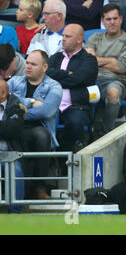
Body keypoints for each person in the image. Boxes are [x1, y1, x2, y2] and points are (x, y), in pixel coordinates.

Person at [7, 50, 62, 199]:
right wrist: (30, 102)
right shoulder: (13, 82)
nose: (28, 66)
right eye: (27, 63)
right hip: (14, 128)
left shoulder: (54, 87)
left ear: (44, 67)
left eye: (33, 64)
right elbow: (5, 104)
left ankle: (40, 188)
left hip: (39, 129)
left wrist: (17, 109)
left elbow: (46, 111)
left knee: (41, 136)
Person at [85, 4, 126, 135]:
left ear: (121, 19)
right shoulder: (95, 38)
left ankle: (105, 133)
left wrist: (97, 60)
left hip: (117, 81)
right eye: (108, 19)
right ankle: (85, 133)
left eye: (115, 18)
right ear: (103, 21)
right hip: (93, 80)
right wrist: (113, 60)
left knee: (113, 93)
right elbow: (87, 62)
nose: (112, 22)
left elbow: (121, 67)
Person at [47, 24, 98, 152]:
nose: (63, 39)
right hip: (51, 104)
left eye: (68, 36)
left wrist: (57, 79)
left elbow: (78, 79)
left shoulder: (89, 60)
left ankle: (63, 156)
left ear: (79, 39)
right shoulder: (55, 57)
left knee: (75, 123)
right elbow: (45, 74)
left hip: (75, 105)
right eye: (63, 35)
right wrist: (67, 73)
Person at [0, 79, 26, 213]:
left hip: (9, 155)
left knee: (16, 170)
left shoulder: (16, 106)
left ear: (4, 93)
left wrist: (5, 128)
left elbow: (13, 129)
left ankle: (15, 212)